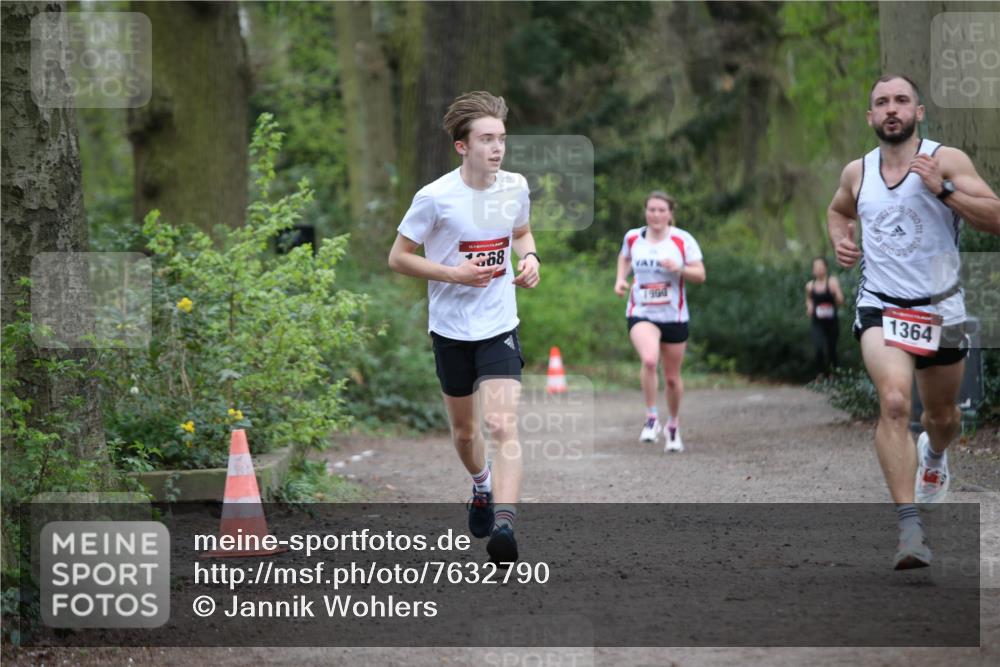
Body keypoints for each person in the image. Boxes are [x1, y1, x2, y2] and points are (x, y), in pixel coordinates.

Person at [827, 74, 1000, 570]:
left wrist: (943, 190)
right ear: (870, 117)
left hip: (940, 307)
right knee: (896, 401)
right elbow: (838, 210)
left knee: (942, 419)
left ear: (919, 112)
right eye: (881, 102)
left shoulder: (946, 160)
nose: (892, 109)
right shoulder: (857, 172)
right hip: (881, 304)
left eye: (902, 100)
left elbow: (994, 216)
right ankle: (909, 530)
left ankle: (936, 456)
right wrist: (841, 237)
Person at [387, 91, 539, 565]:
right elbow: (398, 258)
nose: (497, 149)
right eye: (487, 139)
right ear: (462, 146)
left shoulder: (514, 187)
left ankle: (505, 525)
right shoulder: (434, 198)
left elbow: (520, 234)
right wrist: (455, 273)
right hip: (452, 329)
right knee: (466, 434)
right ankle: (481, 485)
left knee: (501, 423)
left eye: (502, 139)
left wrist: (530, 258)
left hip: (498, 324)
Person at [615, 191, 706, 452]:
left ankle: (673, 425)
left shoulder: (682, 240)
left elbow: (700, 274)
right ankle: (652, 417)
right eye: (651, 210)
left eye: (661, 210)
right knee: (650, 359)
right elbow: (625, 257)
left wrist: (678, 268)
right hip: (641, 311)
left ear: (670, 213)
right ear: (645, 212)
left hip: (674, 316)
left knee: (673, 378)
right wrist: (620, 279)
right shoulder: (633, 236)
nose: (655, 215)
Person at [805, 257, 844, 378]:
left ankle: (835, 374)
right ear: (813, 270)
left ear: (826, 268)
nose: (818, 269)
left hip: (831, 322)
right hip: (817, 322)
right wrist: (809, 307)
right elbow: (809, 299)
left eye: (820, 266)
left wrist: (835, 294)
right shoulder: (810, 285)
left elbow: (841, 301)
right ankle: (820, 374)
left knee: (831, 349)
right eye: (816, 267)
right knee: (818, 347)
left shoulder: (832, 282)